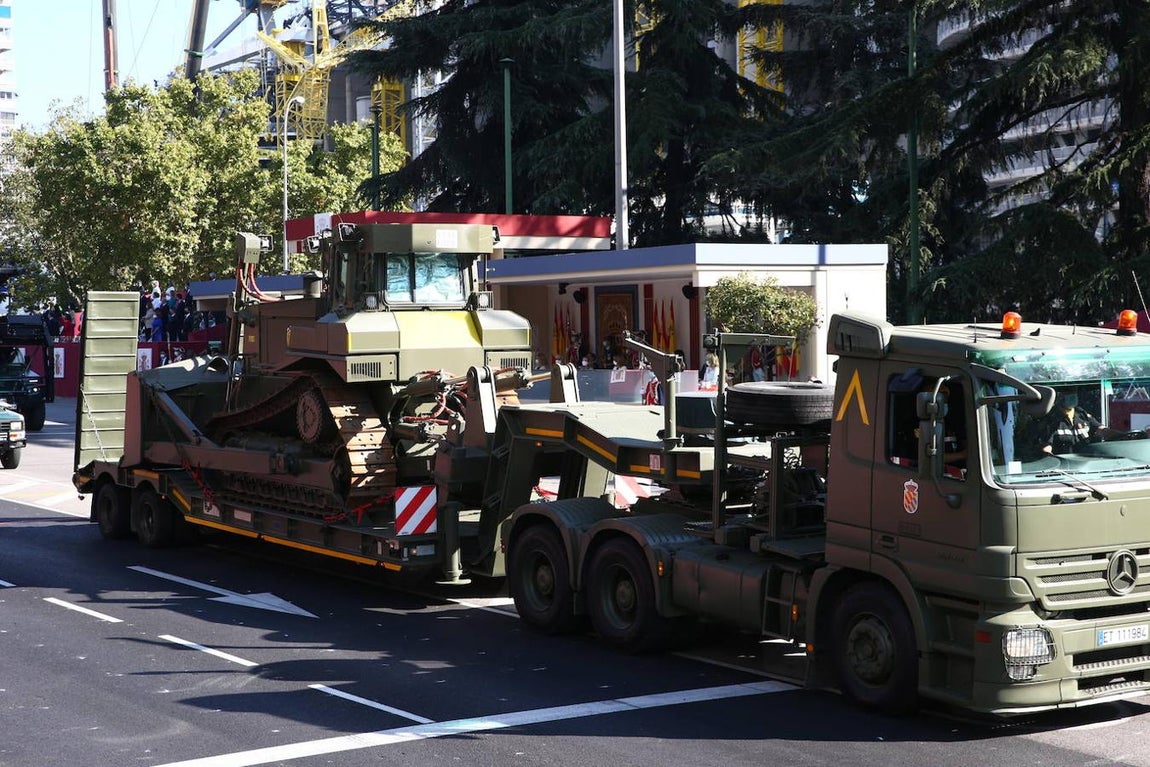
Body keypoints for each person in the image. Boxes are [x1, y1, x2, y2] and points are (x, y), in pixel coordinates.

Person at [1040, 392, 1116, 454]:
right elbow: (1046, 450)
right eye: (1068, 391)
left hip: (1089, 464)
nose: (1073, 394)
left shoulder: (1081, 414)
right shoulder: (1050, 419)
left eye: (1075, 390)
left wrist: (1120, 435)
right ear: (1059, 395)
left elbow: (1101, 430)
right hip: (1064, 466)